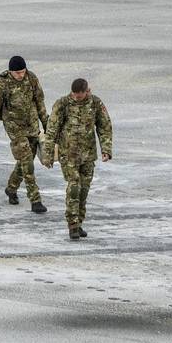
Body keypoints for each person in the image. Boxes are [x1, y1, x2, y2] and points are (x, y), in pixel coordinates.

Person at [41, 78, 112, 240]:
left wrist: (106, 149)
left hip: (88, 155)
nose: (76, 98)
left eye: (80, 96)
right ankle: (72, 225)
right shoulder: (62, 104)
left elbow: (104, 126)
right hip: (69, 155)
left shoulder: (96, 103)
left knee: (84, 190)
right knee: (74, 186)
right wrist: (48, 154)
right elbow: (51, 130)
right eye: (74, 95)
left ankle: (79, 222)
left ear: (88, 91)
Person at [0, 56, 48, 213]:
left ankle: (11, 188)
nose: (20, 75)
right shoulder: (2, 84)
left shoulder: (32, 79)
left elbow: (40, 103)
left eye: (22, 72)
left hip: (32, 125)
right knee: (27, 162)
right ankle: (35, 199)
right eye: (17, 73)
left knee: (26, 161)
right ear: (11, 72)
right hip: (14, 127)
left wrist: (48, 126)